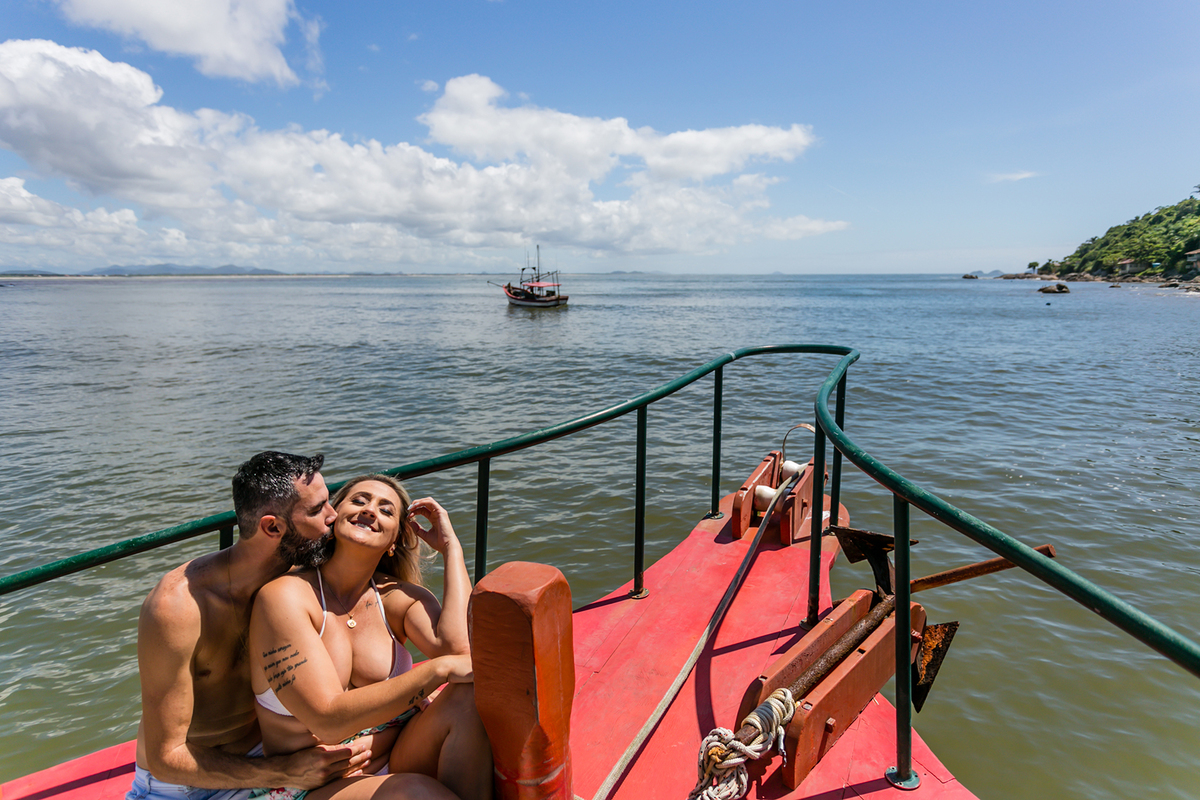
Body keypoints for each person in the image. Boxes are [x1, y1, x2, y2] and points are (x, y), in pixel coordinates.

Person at [127, 452, 375, 800]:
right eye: (318, 509)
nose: (333, 516)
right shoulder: (178, 608)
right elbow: (166, 758)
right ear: (272, 527)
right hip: (185, 787)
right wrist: (285, 771)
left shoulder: (301, 576)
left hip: (271, 756)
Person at [248, 475, 492, 800]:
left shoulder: (394, 597)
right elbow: (327, 722)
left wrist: (451, 548)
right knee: (413, 792)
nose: (370, 511)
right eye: (359, 501)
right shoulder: (286, 597)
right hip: (307, 787)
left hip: (393, 755)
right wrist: (437, 671)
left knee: (466, 698)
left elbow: (459, 652)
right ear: (333, 516)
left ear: (394, 540)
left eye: (386, 510)